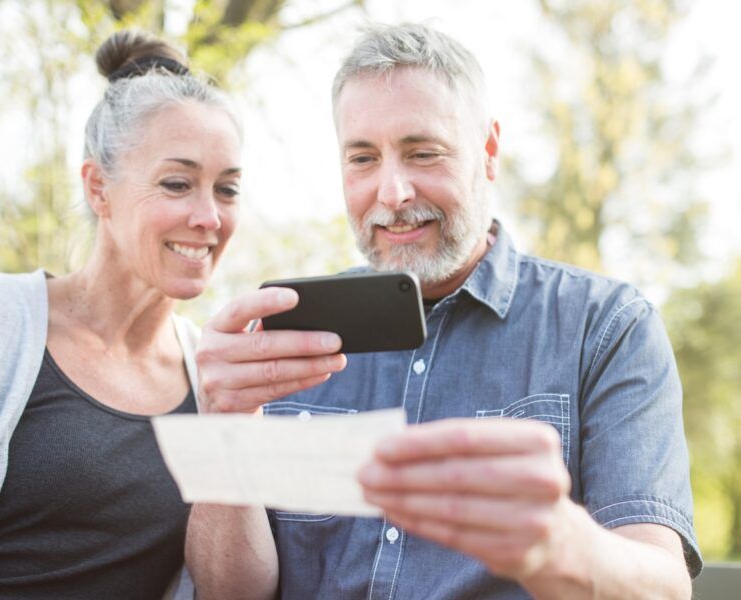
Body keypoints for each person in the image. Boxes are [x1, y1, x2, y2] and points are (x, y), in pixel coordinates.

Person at [185, 23, 701, 599]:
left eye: (422, 152)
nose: (393, 192)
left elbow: (662, 590)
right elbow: (230, 592)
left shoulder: (606, 327)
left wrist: (558, 541)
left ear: (488, 153)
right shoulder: (283, 341)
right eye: (362, 158)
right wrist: (224, 431)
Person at [0, 29, 242, 599]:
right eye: (177, 184)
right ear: (98, 188)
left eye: (227, 190)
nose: (209, 217)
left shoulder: (218, 382)